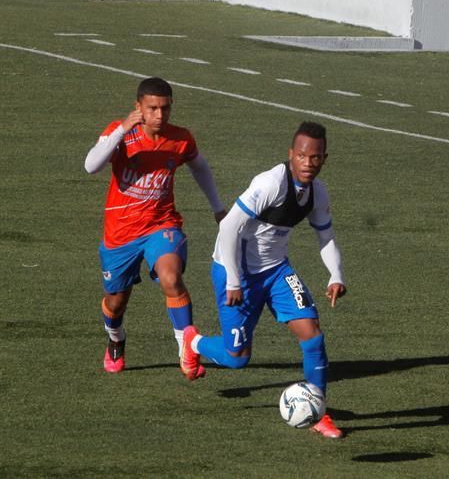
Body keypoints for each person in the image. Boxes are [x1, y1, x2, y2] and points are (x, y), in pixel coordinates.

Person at [182, 121, 347, 438]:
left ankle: (319, 413)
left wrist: (335, 275)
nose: (308, 164)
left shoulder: (318, 194)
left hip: (276, 271)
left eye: (315, 158)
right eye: (302, 156)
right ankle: (193, 342)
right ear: (291, 154)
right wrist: (232, 279)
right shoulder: (270, 183)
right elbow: (229, 227)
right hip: (236, 272)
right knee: (236, 359)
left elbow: (325, 236)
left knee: (313, 336)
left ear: (325, 158)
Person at [85, 77, 226, 380]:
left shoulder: (181, 138)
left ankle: (185, 350)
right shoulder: (120, 133)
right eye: (152, 108)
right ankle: (115, 338)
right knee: (115, 301)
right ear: (139, 107)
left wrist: (218, 208)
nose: (159, 115)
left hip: (162, 224)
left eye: (165, 108)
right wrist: (123, 128)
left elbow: (199, 166)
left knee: (171, 276)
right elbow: (91, 165)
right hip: (120, 234)